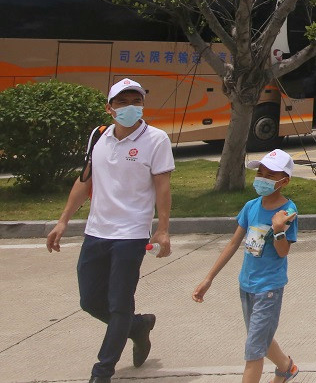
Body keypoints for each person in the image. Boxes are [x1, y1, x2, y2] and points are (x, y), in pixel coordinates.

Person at [46, 78, 173, 383]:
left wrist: (164, 229)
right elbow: (84, 179)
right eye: (123, 101)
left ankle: (102, 372)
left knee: (119, 303)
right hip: (96, 230)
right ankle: (138, 327)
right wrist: (64, 220)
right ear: (110, 108)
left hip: (131, 234)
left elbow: (162, 186)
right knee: (89, 300)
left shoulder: (156, 139)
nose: (131, 107)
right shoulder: (98, 136)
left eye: (136, 100)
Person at [192, 149, 300, 383]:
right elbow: (233, 243)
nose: (262, 178)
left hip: (268, 288)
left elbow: (283, 252)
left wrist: (279, 229)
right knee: (259, 337)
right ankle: (286, 367)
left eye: (270, 175)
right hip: (247, 284)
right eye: (260, 173)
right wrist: (209, 278)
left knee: (254, 350)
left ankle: (283, 369)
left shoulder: (288, 212)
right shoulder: (251, 206)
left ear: (284, 180)